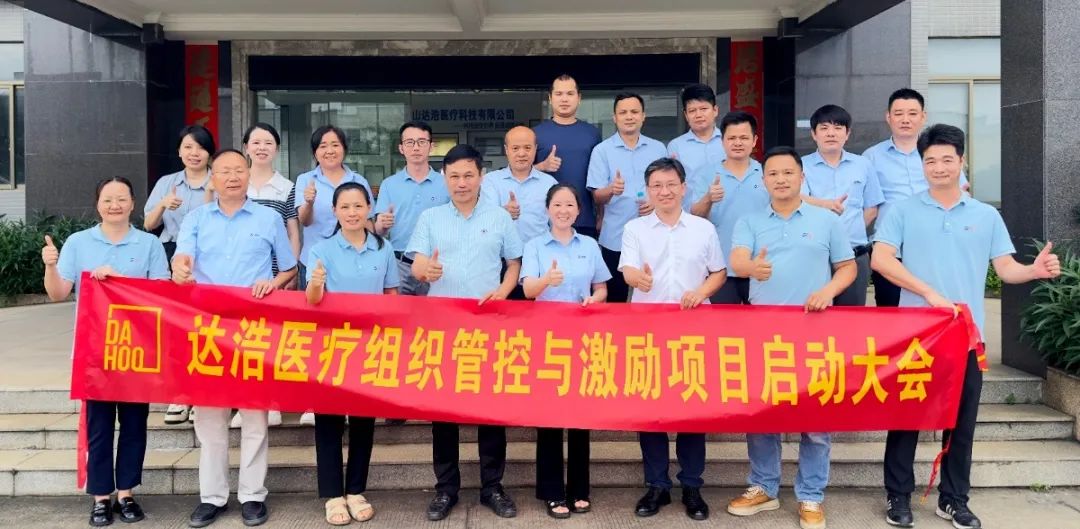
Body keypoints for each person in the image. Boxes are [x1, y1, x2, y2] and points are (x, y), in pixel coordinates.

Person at [871, 124, 1060, 529]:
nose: (939, 167)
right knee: (905, 417)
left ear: (962, 161)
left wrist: (1033, 271)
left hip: (965, 338)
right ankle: (898, 495)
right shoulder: (903, 210)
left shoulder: (985, 214)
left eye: (947, 159)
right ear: (921, 165)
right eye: (930, 161)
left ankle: (954, 499)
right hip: (915, 336)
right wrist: (929, 293)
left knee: (960, 422)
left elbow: (1005, 268)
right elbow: (881, 260)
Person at [726, 146, 856, 529]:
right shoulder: (750, 221)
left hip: (815, 333)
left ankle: (811, 495)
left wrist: (828, 292)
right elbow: (737, 261)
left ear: (802, 176)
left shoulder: (826, 220)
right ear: (763, 180)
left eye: (788, 172)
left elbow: (847, 267)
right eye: (773, 174)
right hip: (764, 332)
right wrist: (752, 267)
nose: (780, 179)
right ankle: (763, 486)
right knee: (762, 412)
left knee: (815, 417)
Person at [173, 149, 298, 528]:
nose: (232, 177)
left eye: (239, 170)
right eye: (224, 171)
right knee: (210, 421)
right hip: (208, 330)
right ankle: (211, 497)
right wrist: (180, 270)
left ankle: (252, 496)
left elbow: (289, 268)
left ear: (248, 175)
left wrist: (272, 282)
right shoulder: (196, 219)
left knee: (254, 418)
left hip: (253, 329)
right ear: (212, 178)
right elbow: (182, 260)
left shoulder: (268, 217)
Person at [42, 177, 169, 527]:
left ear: (133, 203)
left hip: (137, 351)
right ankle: (100, 497)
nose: (115, 205)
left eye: (122, 199)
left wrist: (120, 282)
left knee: (134, 425)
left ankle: (126, 493)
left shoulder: (149, 244)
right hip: (93, 352)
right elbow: (58, 293)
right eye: (108, 199)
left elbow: (162, 293)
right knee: (98, 426)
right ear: (97, 203)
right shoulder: (79, 242)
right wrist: (50, 265)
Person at [407, 144, 523, 521]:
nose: (461, 183)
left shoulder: (499, 217)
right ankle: (446, 488)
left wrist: (504, 291)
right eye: (454, 176)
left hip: (488, 326)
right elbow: (416, 263)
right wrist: (425, 271)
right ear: (444, 178)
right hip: (443, 328)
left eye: (468, 175)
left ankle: (493, 486)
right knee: (444, 413)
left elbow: (514, 263)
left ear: (481, 176)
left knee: (491, 410)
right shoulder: (430, 217)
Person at [618, 158, 726, 521]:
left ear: (683, 188)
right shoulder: (635, 228)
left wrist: (701, 292)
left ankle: (692, 485)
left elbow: (719, 272)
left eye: (670, 185)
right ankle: (657, 485)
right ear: (648, 190)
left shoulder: (702, 229)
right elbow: (628, 269)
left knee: (693, 408)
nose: (664, 192)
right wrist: (637, 279)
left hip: (693, 331)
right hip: (648, 332)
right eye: (656, 186)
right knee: (651, 411)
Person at [305, 182, 399, 526]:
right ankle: (333, 495)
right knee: (328, 422)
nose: (352, 213)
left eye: (358, 206)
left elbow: (391, 294)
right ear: (335, 211)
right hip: (330, 346)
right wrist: (316, 282)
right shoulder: (322, 249)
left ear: (369, 208)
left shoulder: (383, 248)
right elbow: (312, 299)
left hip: (369, 346)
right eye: (344, 207)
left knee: (363, 423)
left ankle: (356, 490)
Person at [520, 184, 610, 519]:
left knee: (580, 416)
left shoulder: (589, 245)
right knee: (550, 417)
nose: (563, 210)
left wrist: (594, 299)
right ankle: (553, 491)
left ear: (578, 210)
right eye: (557, 204)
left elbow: (601, 288)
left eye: (569, 205)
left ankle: (579, 489)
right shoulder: (534, 246)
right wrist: (547, 280)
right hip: (546, 340)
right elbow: (528, 290)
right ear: (548, 209)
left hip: (582, 339)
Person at [295, 125, 372, 426]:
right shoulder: (306, 180)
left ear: (344, 148)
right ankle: (315, 400)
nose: (329, 150)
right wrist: (309, 202)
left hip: (353, 263)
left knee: (352, 333)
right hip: (316, 263)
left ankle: (353, 394)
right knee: (317, 332)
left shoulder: (358, 180)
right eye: (323, 145)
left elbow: (367, 222)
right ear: (315, 152)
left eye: (335, 144)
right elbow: (303, 221)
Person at [863, 88, 968, 308]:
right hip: (891, 251)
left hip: (936, 245)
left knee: (938, 310)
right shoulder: (871, 157)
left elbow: (961, 194)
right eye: (898, 113)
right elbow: (866, 206)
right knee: (891, 314)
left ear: (923, 116)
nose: (905, 119)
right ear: (888, 117)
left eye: (912, 113)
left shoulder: (938, 154)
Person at [229, 122, 299, 429]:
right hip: (237, 276)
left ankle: (272, 403)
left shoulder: (286, 186)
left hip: (273, 277)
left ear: (277, 149)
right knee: (239, 341)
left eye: (268, 142)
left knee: (270, 341)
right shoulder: (235, 181)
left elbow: (292, 231)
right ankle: (242, 403)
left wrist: (289, 271)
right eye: (255, 142)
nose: (261, 148)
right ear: (246, 147)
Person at [144, 124, 215, 425]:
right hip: (172, 255)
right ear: (179, 151)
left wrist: (210, 195)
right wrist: (163, 204)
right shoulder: (167, 183)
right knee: (177, 327)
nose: (194, 153)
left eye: (200, 147)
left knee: (206, 328)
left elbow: (219, 223)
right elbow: (148, 225)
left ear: (209, 152)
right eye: (188, 147)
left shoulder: (219, 180)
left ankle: (202, 394)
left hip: (208, 262)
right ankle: (180, 394)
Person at [800, 104, 884, 307]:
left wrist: (846, 233)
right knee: (813, 313)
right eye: (824, 128)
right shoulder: (801, 165)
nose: (831, 133)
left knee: (851, 318)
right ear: (814, 134)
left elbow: (871, 209)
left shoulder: (863, 165)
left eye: (838, 128)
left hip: (855, 254)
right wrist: (825, 205)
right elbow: (796, 200)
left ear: (847, 134)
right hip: (814, 254)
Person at [587, 92, 668, 303]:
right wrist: (611, 189)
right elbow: (596, 196)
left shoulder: (658, 148)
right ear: (614, 118)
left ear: (643, 116)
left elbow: (668, 188)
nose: (629, 116)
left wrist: (655, 203)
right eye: (623, 112)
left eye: (634, 112)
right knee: (615, 301)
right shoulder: (602, 151)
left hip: (654, 235)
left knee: (655, 295)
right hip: (615, 237)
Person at [687, 111, 769, 304]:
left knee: (762, 321)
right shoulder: (707, 174)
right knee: (722, 322)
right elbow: (695, 216)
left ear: (754, 141)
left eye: (744, 138)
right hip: (719, 267)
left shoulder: (767, 173)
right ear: (722, 141)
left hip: (758, 266)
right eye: (732, 138)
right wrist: (708, 198)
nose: (737, 143)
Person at [373, 120, 450, 297]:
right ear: (401, 148)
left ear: (431, 146)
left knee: (436, 312)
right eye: (410, 142)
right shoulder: (389, 184)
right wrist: (382, 225)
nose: (416, 148)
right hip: (399, 264)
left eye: (422, 142)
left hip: (436, 263)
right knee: (398, 312)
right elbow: (379, 231)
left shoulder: (445, 183)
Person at [482, 126, 558, 299]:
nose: (521, 153)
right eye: (515, 148)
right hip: (500, 261)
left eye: (527, 148)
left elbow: (556, 226)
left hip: (539, 261)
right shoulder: (490, 181)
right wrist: (503, 212)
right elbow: (483, 219)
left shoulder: (550, 184)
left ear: (535, 149)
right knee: (500, 311)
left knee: (536, 311)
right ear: (506, 150)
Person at [534, 74, 603, 239]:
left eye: (570, 94)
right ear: (550, 98)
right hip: (544, 221)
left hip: (584, 218)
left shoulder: (592, 133)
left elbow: (600, 179)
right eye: (559, 94)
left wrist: (601, 215)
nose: (564, 99)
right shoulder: (536, 134)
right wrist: (541, 166)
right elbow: (519, 174)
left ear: (579, 98)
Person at [667, 84, 723, 179]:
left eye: (703, 109)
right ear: (686, 115)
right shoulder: (676, 146)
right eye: (692, 111)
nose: (698, 115)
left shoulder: (730, 140)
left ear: (715, 110)